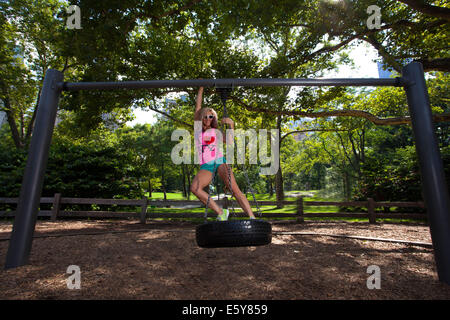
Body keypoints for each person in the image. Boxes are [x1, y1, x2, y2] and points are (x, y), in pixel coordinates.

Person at [190, 86, 256, 221]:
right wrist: (201, 88)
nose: (208, 118)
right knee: (195, 189)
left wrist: (231, 125)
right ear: (202, 117)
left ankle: (252, 217)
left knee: (235, 190)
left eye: (211, 116)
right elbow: (198, 107)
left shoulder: (216, 132)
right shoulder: (198, 129)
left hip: (219, 161)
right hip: (206, 165)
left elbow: (230, 141)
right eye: (206, 116)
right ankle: (221, 212)